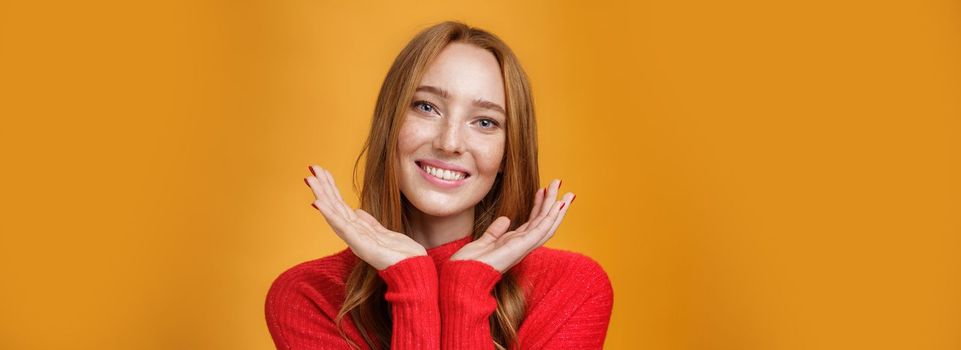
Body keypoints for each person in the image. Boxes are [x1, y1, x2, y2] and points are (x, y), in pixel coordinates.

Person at [265, 21, 614, 350]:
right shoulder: (309, 296)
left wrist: (467, 285)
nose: (449, 143)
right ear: (391, 125)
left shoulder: (571, 288)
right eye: (427, 107)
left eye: (485, 121)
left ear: (509, 153)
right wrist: (411, 282)